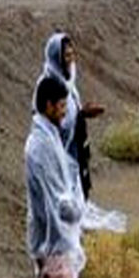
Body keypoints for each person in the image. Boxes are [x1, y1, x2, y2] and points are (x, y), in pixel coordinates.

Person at [26, 75, 85, 278]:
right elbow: (56, 198)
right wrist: (77, 210)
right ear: (48, 105)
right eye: (61, 105)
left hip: (44, 235)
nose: (64, 111)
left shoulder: (44, 136)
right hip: (54, 235)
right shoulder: (42, 145)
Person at [36, 32, 104, 199]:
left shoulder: (68, 80)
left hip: (76, 148)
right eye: (66, 55)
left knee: (80, 189)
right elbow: (51, 122)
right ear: (56, 57)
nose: (71, 59)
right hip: (60, 153)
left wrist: (82, 114)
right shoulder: (48, 85)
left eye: (72, 54)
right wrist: (80, 115)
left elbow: (71, 110)